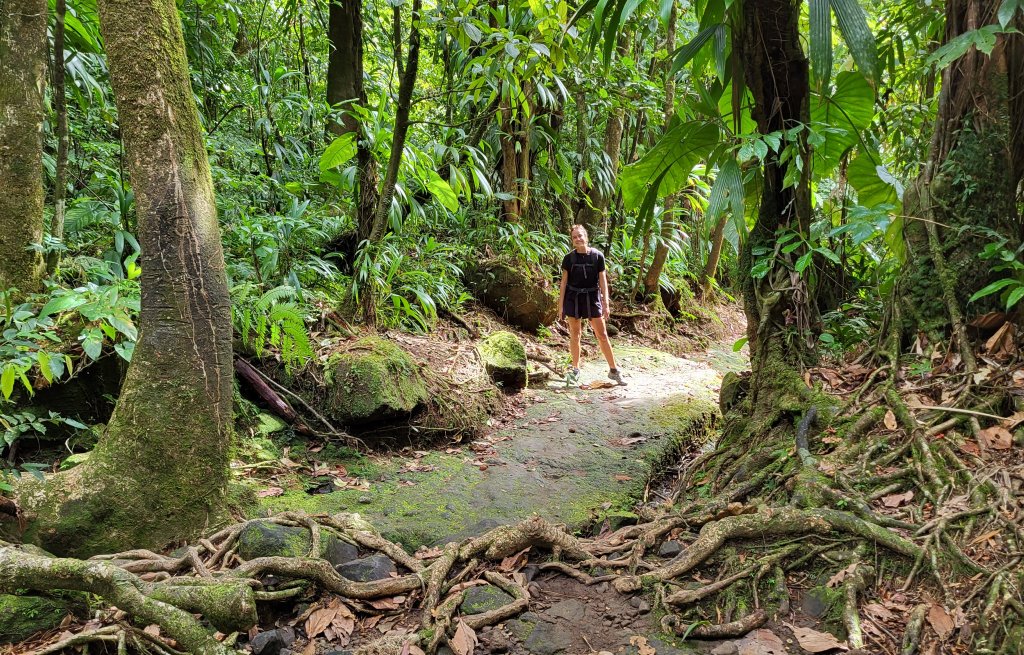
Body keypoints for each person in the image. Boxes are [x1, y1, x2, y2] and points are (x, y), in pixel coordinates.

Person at [558, 224, 624, 386]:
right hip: (573, 298)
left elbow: (603, 281)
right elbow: (564, 283)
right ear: (572, 241)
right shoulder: (569, 258)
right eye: (574, 237)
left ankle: (613, 370)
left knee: (601, 335)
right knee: (575, 334)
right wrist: (560, 306)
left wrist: (605, 302)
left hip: (592, 297)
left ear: (586, 236)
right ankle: (575, 369)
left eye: (580, 235)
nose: (578, 239)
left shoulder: (597, 256)